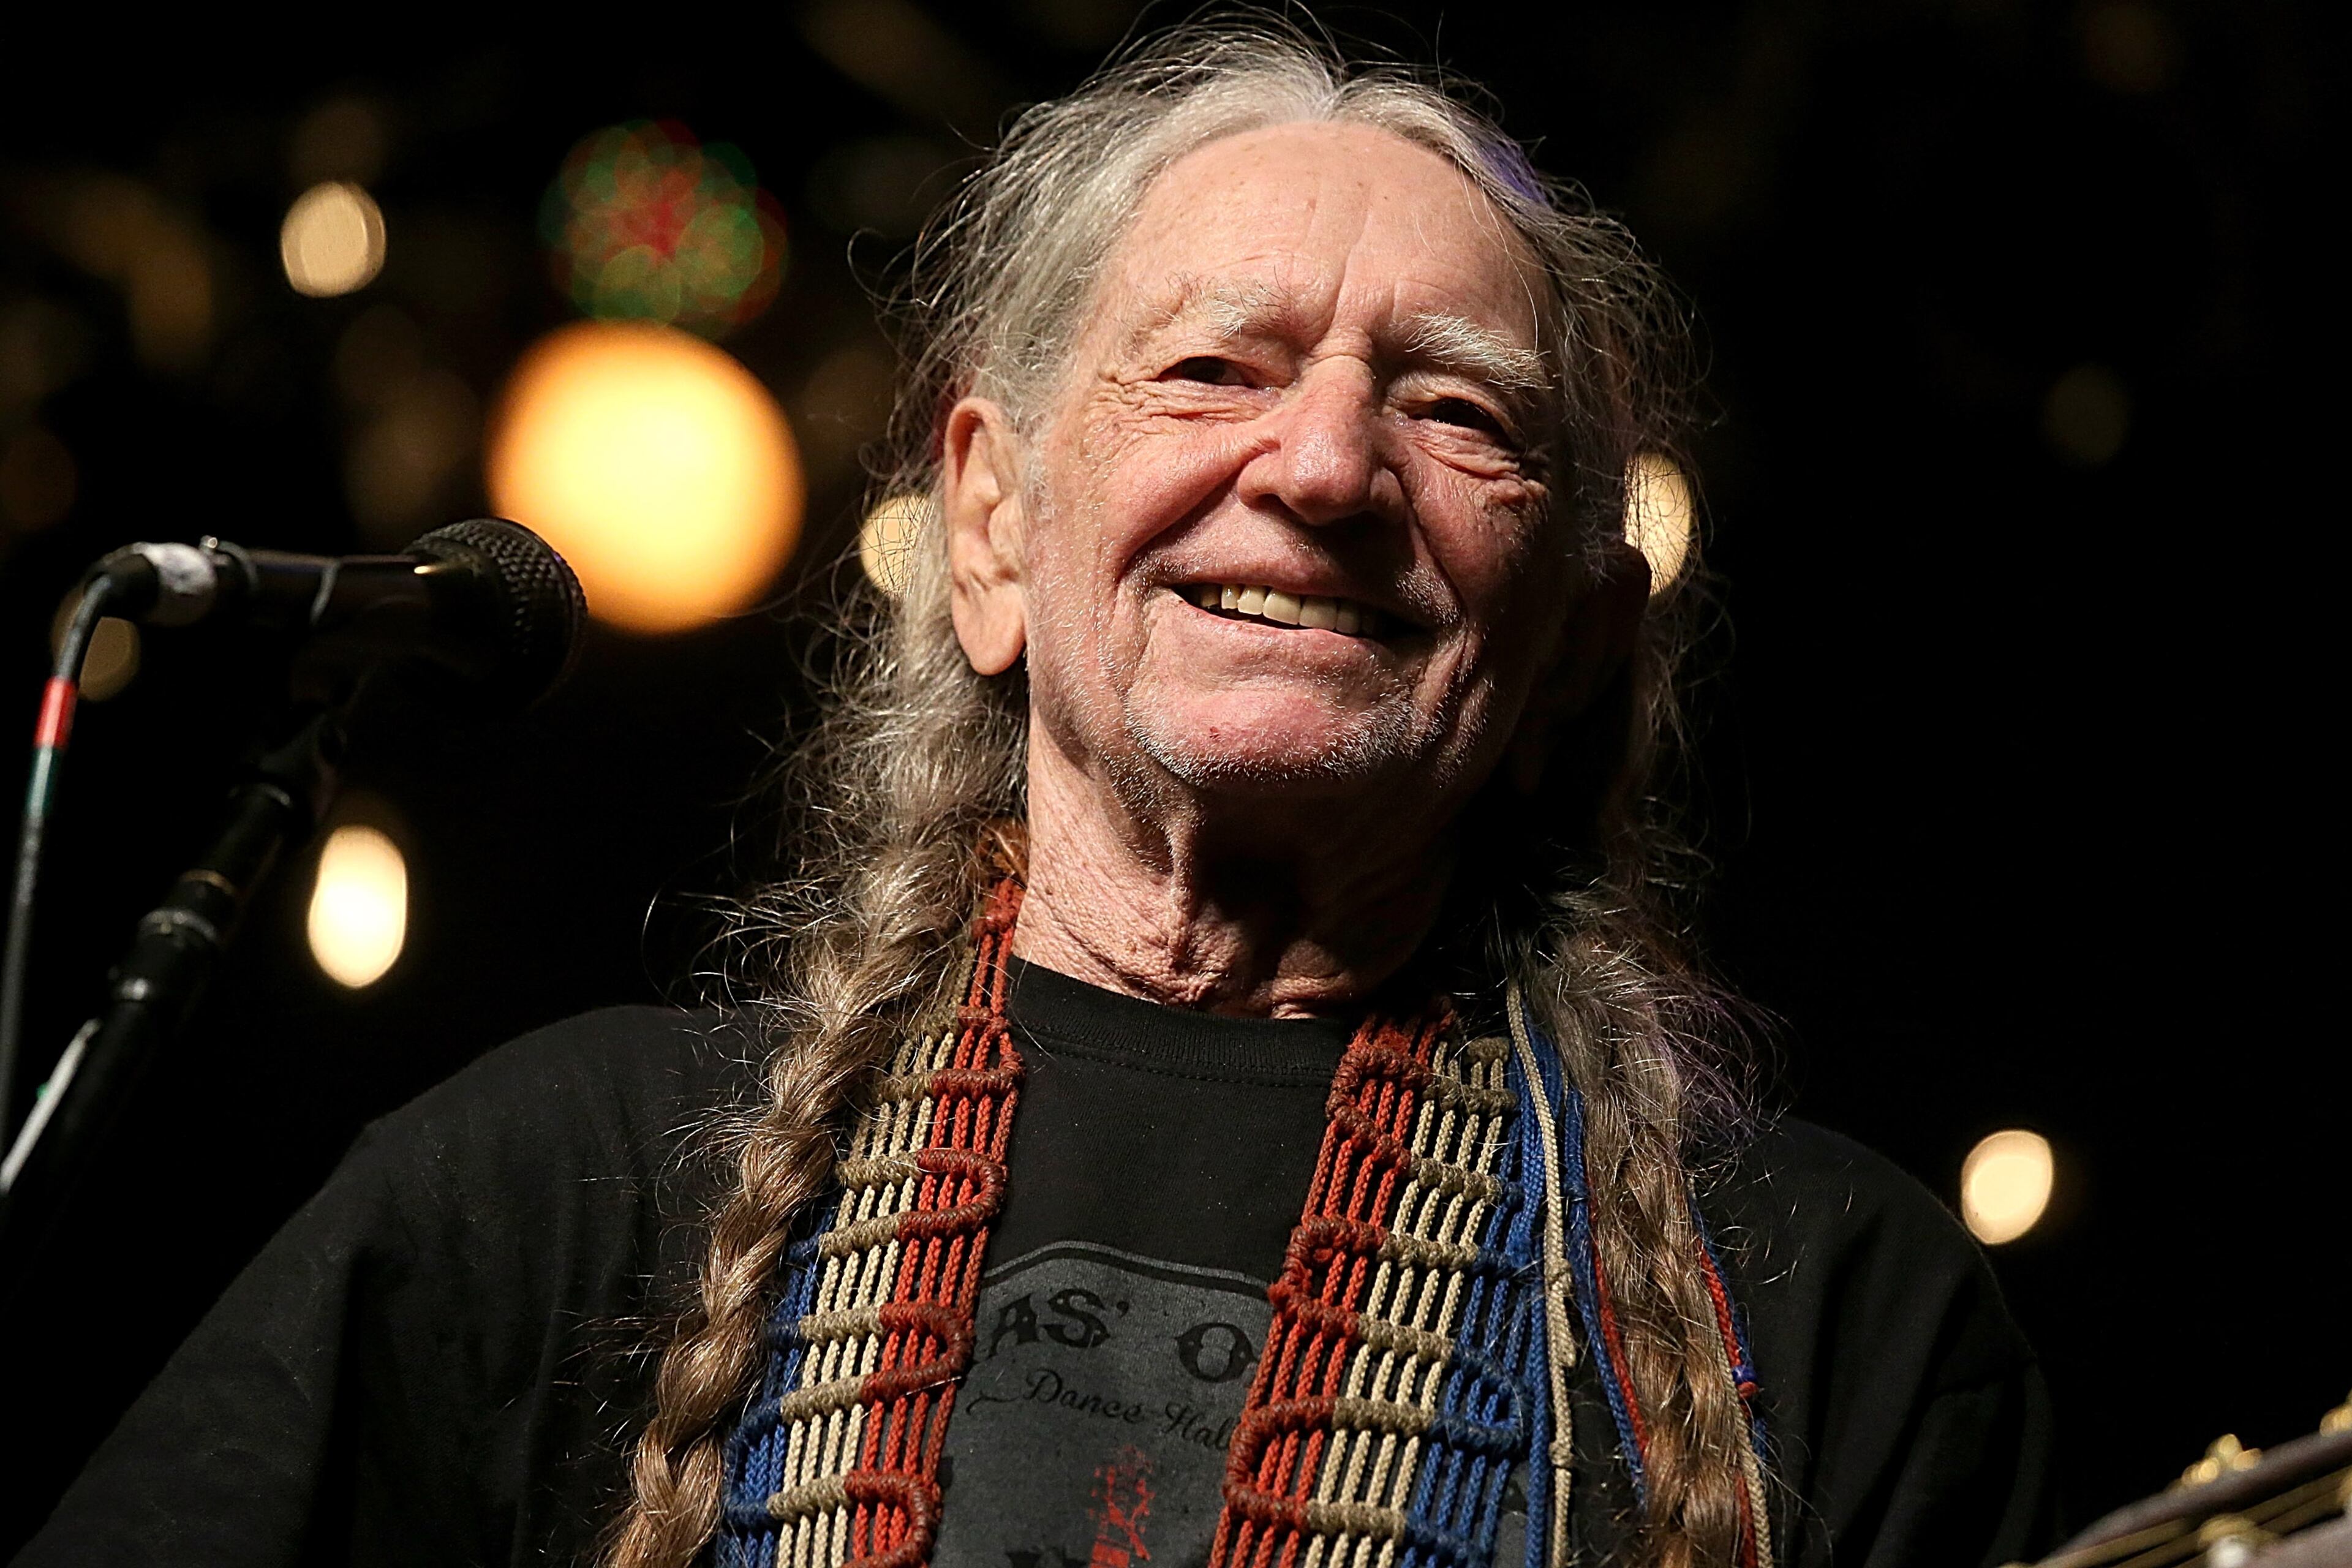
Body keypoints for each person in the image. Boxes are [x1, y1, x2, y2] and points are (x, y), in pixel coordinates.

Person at [15, 24, 2056, 1568]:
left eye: (1456, 410)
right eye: (1213, 372)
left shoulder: (1826, 1308)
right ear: (990, 528)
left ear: (1584, 638)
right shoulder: (554, 1190)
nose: (1329, 470)